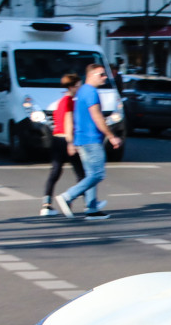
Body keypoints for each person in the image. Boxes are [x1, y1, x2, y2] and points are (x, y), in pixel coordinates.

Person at [53, 63, 121, 221]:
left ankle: (91, 209)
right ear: (91, 75)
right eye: (101, 74)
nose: (104, 77)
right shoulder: (91, 92)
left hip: (82, 139)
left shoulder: (83, 90)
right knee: (97, 174)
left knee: (91, 174)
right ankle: (68, 196)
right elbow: (97, 116)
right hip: (91, 140)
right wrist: (111, 136)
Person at [40, 74, 87, 216]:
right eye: (78, 85)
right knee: (81, 174)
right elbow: (68, 122)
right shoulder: (70, 102)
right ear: (72, 87)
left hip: (56, 139)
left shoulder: (60, 102)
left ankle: (46, 205)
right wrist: (71, 142)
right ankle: (84, 202)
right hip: (66, 139)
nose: (80, 88)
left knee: (55, 172)